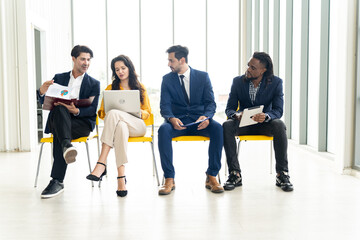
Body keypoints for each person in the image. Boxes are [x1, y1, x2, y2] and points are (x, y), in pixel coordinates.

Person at [222, 51, 294, 192]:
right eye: (248, 66)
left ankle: (282, 174)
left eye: (253, 68)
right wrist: (237, 115)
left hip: (264, 124)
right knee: (226, 125)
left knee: (279, 124)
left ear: (264, 70)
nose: (248, 69)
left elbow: (278, 110)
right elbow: (229, 109)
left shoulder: (276, 83)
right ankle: (235, 174)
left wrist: (266, 116)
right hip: (242, 124)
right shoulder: (237, 81)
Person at [158, 45, 224, 195]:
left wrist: (207, 117)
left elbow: (210, 103)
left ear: (182, 60)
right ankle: (169, 178)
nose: (169, 64)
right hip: (177, 122)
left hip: (199, 121)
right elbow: (164, 105)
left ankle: (212, 176)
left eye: (171, 60)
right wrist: (171, 118)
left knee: (218, 128)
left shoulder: (202, 77)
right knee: (163, 130)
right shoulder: (167, 80)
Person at [37, 45, 100, 198]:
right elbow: (44, 102)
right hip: (59, 118)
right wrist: (41, 92)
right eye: (82, 59)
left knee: (60, 131)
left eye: (88, 60)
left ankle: (57, 181)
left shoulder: (94, 83)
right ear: (73, 59)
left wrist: (76, 111)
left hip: (80, 123)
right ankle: (66, 145)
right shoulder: (59, 78)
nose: (86, 63)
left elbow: (92, 110)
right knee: (59, 110)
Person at [86, 55, 151, 197]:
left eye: (123, 68)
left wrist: (139, 112)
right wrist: (109, 112)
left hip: (138, 125)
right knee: (120, 125)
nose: (120, 71)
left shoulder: (140, 88)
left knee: (115, 114)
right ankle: (121, 178)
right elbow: (102, 113)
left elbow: (148, 112)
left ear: (129, 68)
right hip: (120, 125)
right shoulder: (110, 88)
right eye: (117, 69)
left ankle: (101, 163)